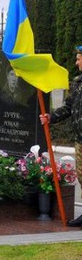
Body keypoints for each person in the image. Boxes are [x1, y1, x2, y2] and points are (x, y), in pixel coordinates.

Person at [40, 45, 82, 227]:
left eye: (79, 58)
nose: (76, 62)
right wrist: (51, 117)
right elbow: (68, 107)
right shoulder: (77, 82)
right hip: (80, 138)